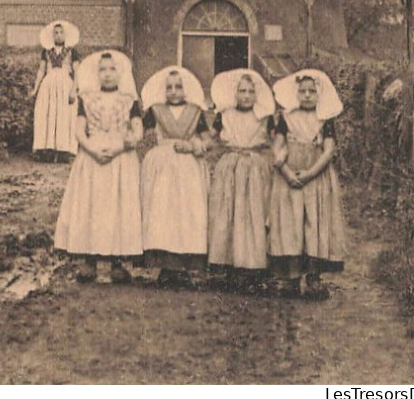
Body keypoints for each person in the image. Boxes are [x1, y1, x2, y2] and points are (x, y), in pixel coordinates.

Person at [54, 50, 142, 284]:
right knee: (91, 206)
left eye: (112, 69)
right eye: (102, 70)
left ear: (120, 73)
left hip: (120, 157)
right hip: (92, 158)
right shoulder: (87, 98)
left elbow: (138, 130)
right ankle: (89, 261)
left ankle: (117, 262)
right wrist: (91, 149)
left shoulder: (129, 100)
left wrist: (122, 146)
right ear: (97, 73)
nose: (107, 74)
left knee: (117, 206)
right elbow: (79, 130)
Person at [268, 69, 346, 299]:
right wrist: (286, 170)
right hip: (289, 174)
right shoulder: (286, 117)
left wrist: (311, 173)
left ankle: (313, 277)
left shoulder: (325, 119)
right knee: (290, 222)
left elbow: (329, 149)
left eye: (312, 91)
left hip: (315, 176)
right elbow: (277, 145)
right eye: (302, 91)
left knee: (314, 221)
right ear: (296, 94)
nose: (307, 95)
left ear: (319, 95)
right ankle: (291, 277)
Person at [141, 66, 210, 288]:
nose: (173, 91)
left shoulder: (195, 111)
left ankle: (184, 266)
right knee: (162, 212)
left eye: (178, 87)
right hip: (162, 166)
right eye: (168, 87)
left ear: (186, 89)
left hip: (188, 165)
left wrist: (195, 145)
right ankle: (166, 265)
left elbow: (208, 140)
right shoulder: (155, 110)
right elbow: (141, 133)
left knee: (187, 212)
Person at [208, 69, 275, 292]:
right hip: (230, 167)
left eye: (250, 91)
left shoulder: (264, 117)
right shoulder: (224, 115)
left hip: (255, 167)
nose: (246, 96)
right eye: (241, 91)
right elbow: (211, 139)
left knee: (252, 213)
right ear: (234, 93)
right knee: (228, 213)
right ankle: (227, 266)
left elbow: (277, 142)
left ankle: (252, 266)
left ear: (257, 94)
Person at [31, 20, 80, 162]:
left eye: (61, 32)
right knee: (48, 115)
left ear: (66, 35)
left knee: (64, 116)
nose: (58, 35)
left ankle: (64, 151)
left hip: (65, 86)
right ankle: (48, 149)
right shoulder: (46, 51)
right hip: (49, 86)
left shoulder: (72, 51)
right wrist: (35, 89)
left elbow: (78, 72)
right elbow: (41, 70)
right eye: (56, 33)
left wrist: (74, 90)